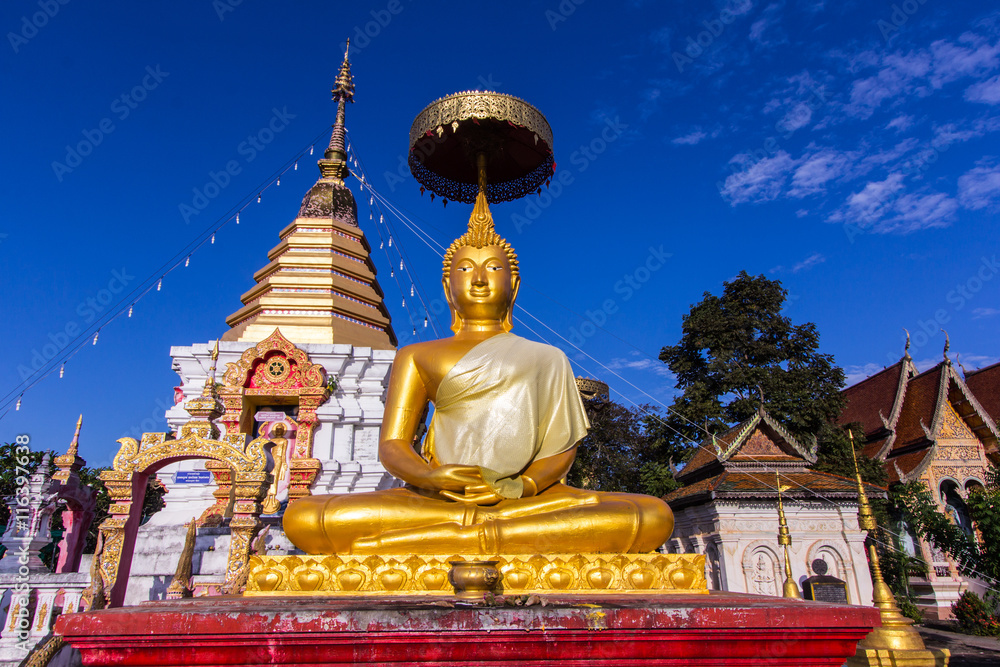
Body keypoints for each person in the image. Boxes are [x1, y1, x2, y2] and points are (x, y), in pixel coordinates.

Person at [283, 190, 672, 555]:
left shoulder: (547, 357)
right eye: (465, 269)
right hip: (437, 499)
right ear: (448, 288)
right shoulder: (417, 356)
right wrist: (430, 478)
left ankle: (454, 537)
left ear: (514, 285)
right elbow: (393, 446)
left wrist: (524, 485)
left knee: (651, 515)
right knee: (305, 517)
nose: (481, 279)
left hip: (528, 500)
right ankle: (489, 534)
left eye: (494, 268)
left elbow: (561, 449)